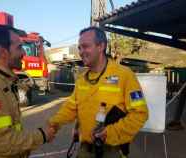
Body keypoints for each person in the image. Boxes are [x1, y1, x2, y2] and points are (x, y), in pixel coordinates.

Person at [48, 26, 148, 158]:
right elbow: (70, 107)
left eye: (85, 46)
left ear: (101, 46)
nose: (81, 52)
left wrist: (109, 133)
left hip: (111, 151)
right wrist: (53, 123)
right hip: (85, 150)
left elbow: (140, 114)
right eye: (79, 48)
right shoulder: (82, 79)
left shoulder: (125, 75)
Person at [0, 25, 55, 158]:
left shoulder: (1, 80)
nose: (23, 53)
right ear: (3, 52)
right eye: (19, 47)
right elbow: (2, 142)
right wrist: (42, 135)